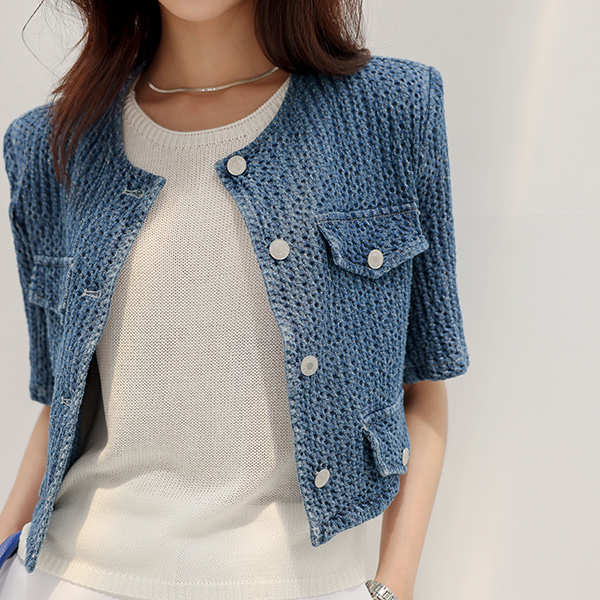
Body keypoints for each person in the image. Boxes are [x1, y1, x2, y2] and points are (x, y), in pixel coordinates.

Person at [0, 0, 471, 599]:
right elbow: (60, 406)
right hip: (70, 576)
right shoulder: (51, 143)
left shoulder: (389, 109)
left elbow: (423, 387)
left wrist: (393, 588)